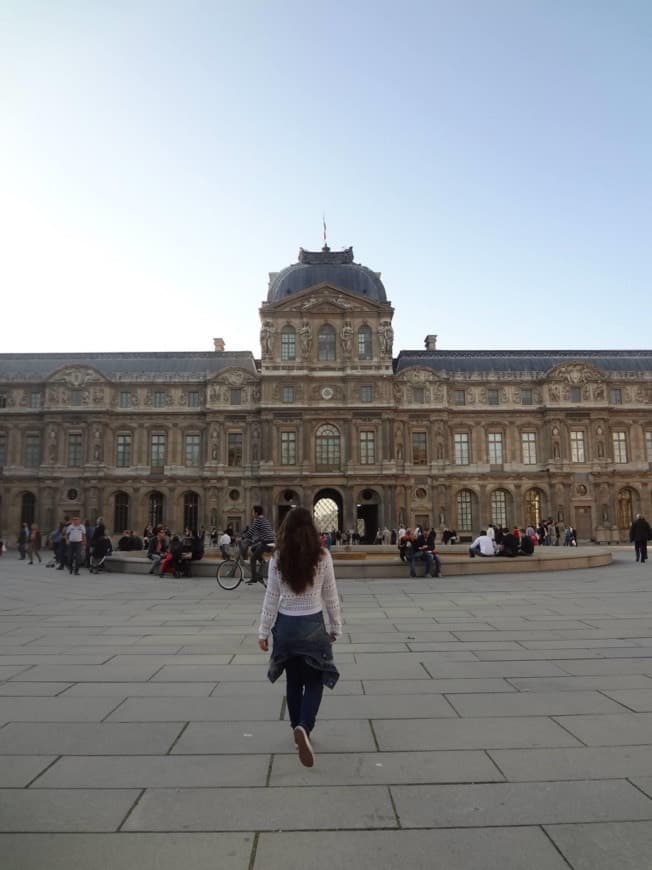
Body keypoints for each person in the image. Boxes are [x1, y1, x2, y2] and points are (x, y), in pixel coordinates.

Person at [257, 507, 342, 768]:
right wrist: (336, 626)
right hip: (313, 625)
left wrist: (263, 631)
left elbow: (271, 597)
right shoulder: (323, 556)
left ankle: (297, 732)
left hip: (286, 626)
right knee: (315, 679)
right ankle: (304, 726)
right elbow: (330, 595)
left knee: (293, 681)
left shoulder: (278, 558)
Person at [240, 505, 275, 585]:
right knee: (253, 549)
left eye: (252, 512)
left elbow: (251, 532)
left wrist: (243, 537)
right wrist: (253, 540)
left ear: (256, 513)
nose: (252, 513)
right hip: (269, 541)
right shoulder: (264, 519)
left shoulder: (257, 520)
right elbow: (262, 534)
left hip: (266, 543)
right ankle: (262, 565)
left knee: (252, 559)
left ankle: (254, 578)